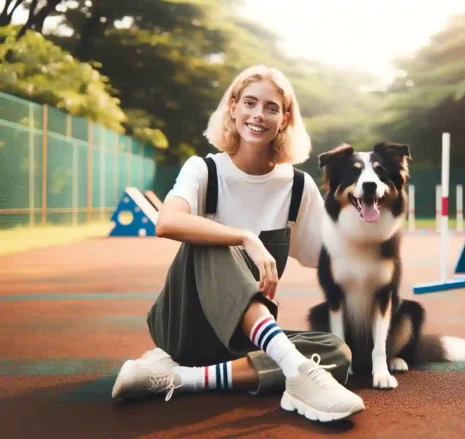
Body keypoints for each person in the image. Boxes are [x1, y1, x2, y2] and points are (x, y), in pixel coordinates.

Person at [111, 64, 365, 423]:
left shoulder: (297, 187)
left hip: (244, 341)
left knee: (336, 352)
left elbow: (323, 257)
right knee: (215, 238)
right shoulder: (204, 170)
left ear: (285, 118)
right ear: (233, 107)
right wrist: (245, 237)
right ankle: (297, 371)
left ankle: (182, 378)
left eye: (271, 108)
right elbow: (166, 222)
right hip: (186, 327)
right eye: (250, 102)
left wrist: (365, 214)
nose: (258, 115)